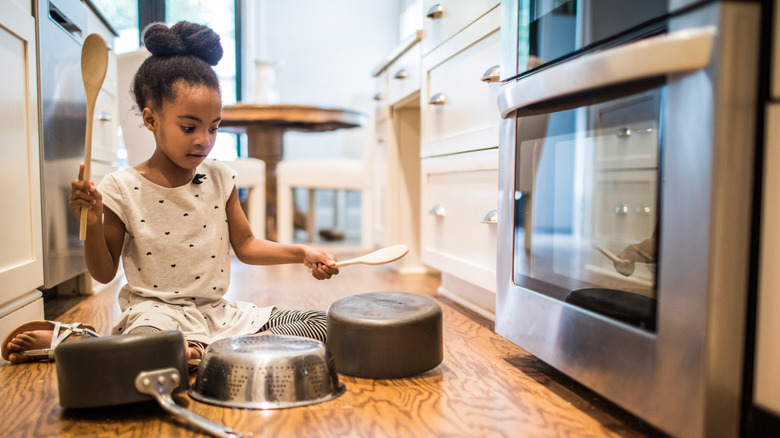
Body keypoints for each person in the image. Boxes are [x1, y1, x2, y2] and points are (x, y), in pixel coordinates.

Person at [2, 21, 339, 366]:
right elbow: (103, 273)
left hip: (215, 313)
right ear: (151, 120)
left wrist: (301, 252)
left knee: (324, 325)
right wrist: (90, 223)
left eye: (213, 128)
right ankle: (79, 342)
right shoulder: (121, 188)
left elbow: (247, 245)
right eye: (189, 127)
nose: (204, 140)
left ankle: (194, 352)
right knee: (151, 345)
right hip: (154, 316)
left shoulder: (221, 177)